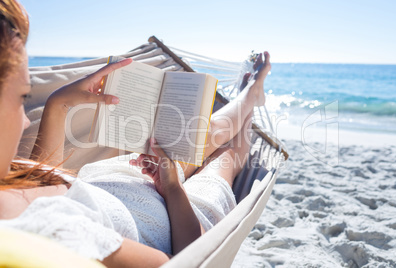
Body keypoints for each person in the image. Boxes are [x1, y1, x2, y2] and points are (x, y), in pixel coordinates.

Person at [0, 0, 271, 267]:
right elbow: (191, 260)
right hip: (180, 216)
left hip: (120, 178)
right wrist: (173, 189)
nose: (25, 121)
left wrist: (58, 105)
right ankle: (250, 98)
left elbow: (40, 183)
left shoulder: (7, 184)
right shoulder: (53, 231)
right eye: (23, 96)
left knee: (200, 135)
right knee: (226, 159)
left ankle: (248, 97)